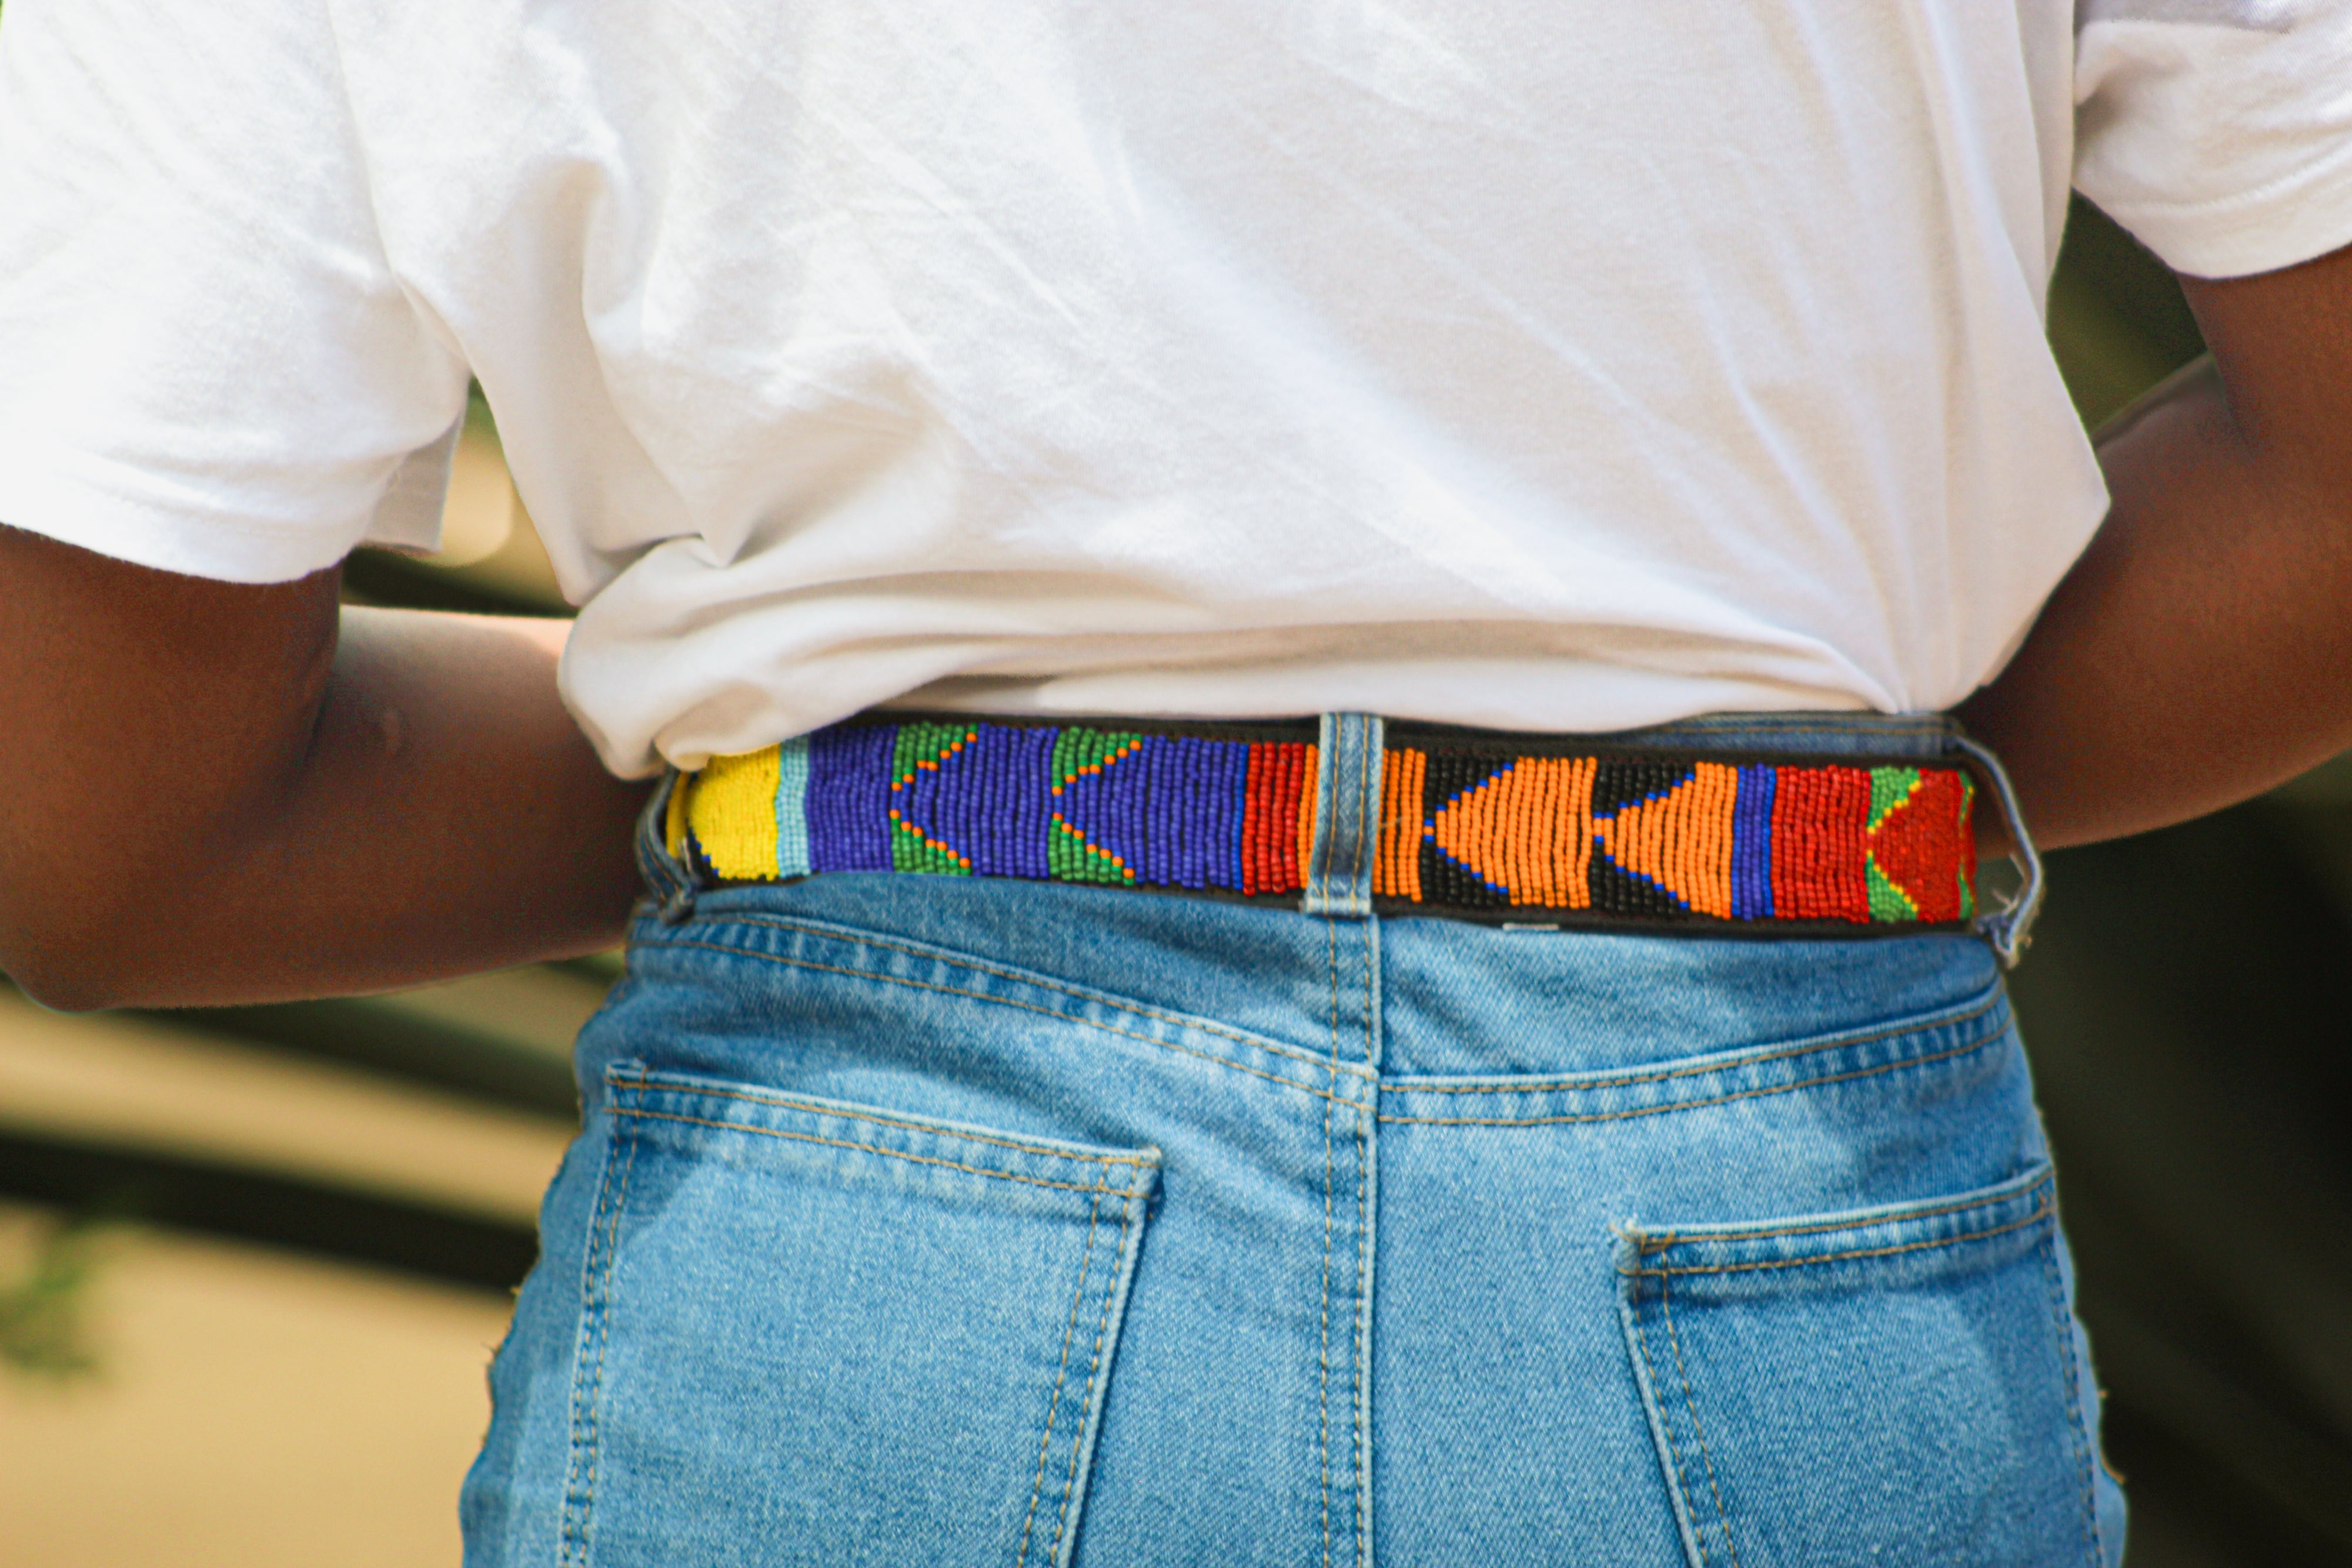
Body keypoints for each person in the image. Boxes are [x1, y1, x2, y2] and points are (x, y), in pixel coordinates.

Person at [1, 0, 2347, 1560]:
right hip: (1767, 1203)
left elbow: (100, 819)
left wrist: (872, 782)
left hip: (867, 1238)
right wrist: (1697, 807)